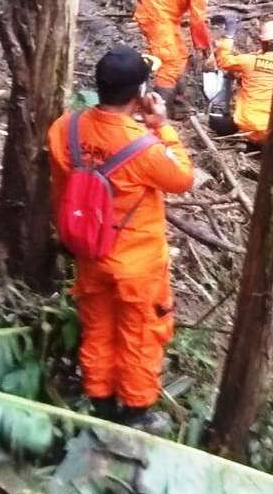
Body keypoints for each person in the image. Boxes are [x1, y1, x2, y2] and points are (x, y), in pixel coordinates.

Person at [48, 47, 196, 430]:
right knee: (140, 333)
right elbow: (183, 179)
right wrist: (162, 125)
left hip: (89, 251)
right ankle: (136, 412)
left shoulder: (67, 128)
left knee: (97, 326)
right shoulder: (144, 147)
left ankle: (100, 402)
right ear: (140, 92)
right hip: (137, 263)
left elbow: (62, 182)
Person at [132, 0, 252, 107]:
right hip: (157, 13)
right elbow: (197, 19)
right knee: (171, 62)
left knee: (181, 55)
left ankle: (176, 102)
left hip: (163, 10)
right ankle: (158, 112)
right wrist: (205, 49)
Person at [211, 18, 273, 143]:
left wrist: (229, 36)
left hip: (248, 126)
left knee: (216, 121)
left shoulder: (250, 61)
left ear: (262, 42)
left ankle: (253, 143)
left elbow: (224, 61)